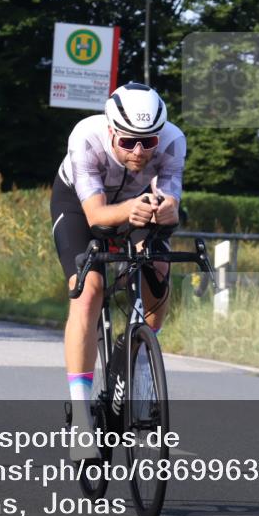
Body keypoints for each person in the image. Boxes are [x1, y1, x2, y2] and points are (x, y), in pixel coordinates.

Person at [51, 82, 186, 460]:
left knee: (158, 267)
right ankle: (80, 415)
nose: (140, 152)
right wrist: (133, 211)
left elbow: (171, 198)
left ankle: (140, 354)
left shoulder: (174, 140)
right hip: (81, 207)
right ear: (111, 130)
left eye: (149, 142)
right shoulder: (87, 137)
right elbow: (95, 215)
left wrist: (168, 209)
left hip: (138, 204)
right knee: (88, 288)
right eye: (128, 142)